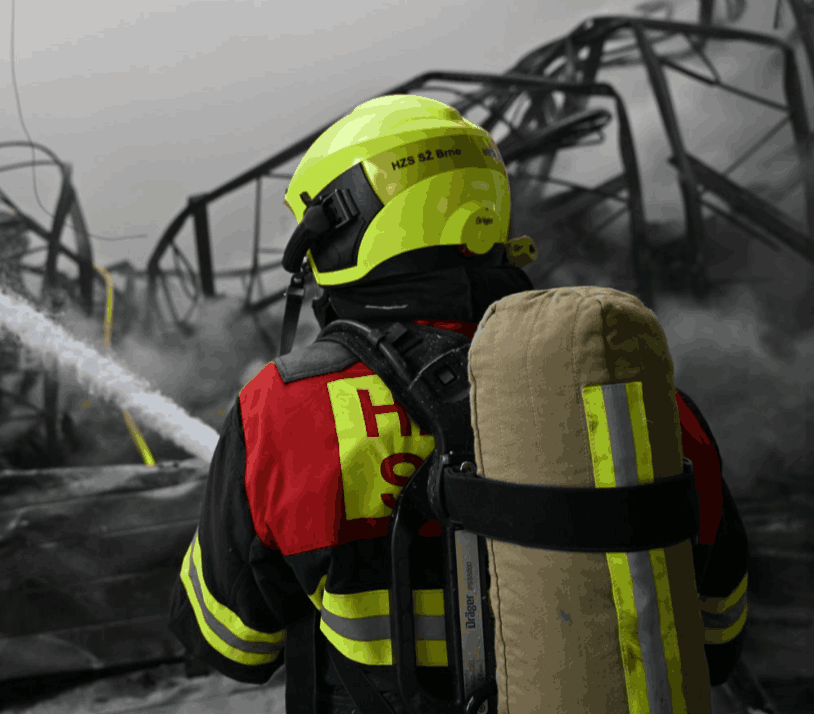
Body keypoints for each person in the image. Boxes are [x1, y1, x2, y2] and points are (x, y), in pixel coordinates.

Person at [166, 94, 749, 714]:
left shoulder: (282, 410)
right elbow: (718, 636)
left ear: (342, 229)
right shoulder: (638, 397)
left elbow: (230, 643)